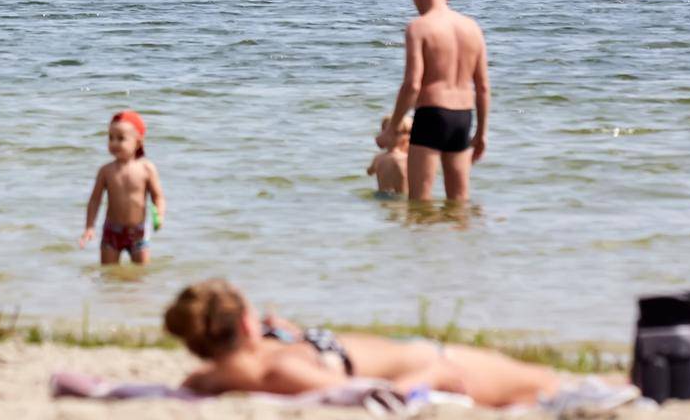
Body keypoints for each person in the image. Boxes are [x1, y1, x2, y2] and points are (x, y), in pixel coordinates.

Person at [164, 280, 559, 406]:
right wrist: (433, 374)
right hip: (440, 362)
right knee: (548, 384)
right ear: (245, 327)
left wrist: (286, 334)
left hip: (426, 352)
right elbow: (371, 394)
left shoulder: (208, 376)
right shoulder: (280, 370)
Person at [385, 0, 489, 202]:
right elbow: (482, 87)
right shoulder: (472, 27)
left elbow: (412, 84)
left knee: (419, 202)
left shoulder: (418, 27)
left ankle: (425, 238)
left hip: (432, 114)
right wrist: (481, 133)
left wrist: (392, 128)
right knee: (459, 200)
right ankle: (458, 238)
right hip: (463, 117)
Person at [79, 110, 166, 265]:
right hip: (112, 233)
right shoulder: (106, 171)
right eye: (110, 138)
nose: (114, 143)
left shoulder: (146, 168)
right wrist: (89, 227)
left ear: (138, 142)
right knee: (108, 275)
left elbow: (157, 196)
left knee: (141, 277)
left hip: (138, 233)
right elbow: (94, 200)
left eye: (121, 138)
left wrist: (159, 214)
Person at [366, 112, 411, 196]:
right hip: (401, 198)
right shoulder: (405, 159)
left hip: (381, 196)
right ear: (405, 138)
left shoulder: (378, 158)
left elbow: (369, 172)